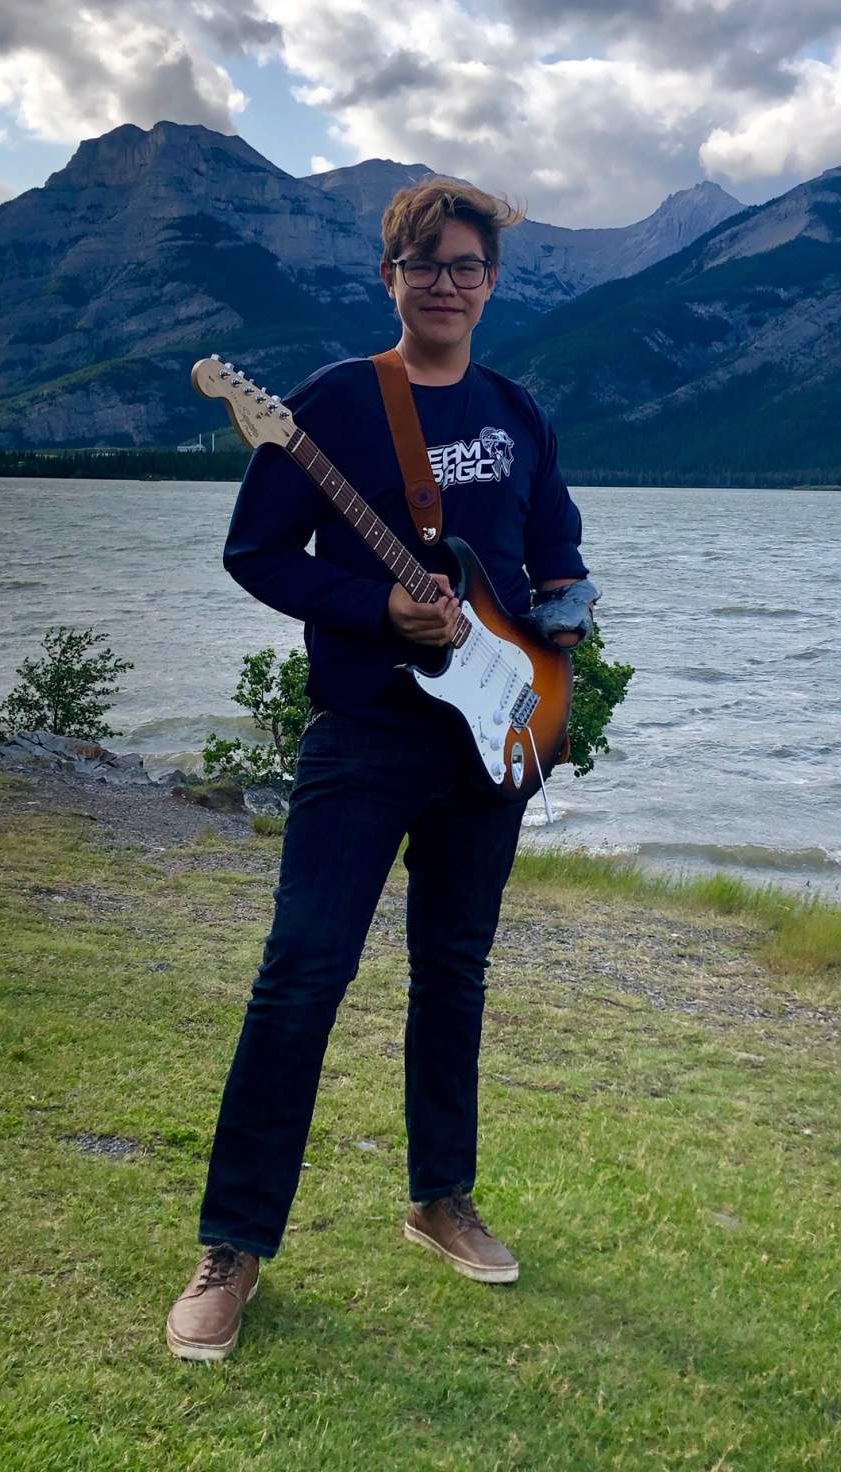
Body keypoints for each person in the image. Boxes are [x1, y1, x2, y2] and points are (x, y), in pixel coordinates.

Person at [166, 178, 593, 1362]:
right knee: (301, 974)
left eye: (468, 266)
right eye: (426, 264)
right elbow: (257, 553)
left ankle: (439, 1195)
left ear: (492, 282)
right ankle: (233, 1245)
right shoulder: (327, 407)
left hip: (490, 740)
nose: (447, 283)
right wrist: (375, 609)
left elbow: (549, 548)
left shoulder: (518, 412)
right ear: (390, 275)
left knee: (455, 970)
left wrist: (556, 648)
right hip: (363, 733)